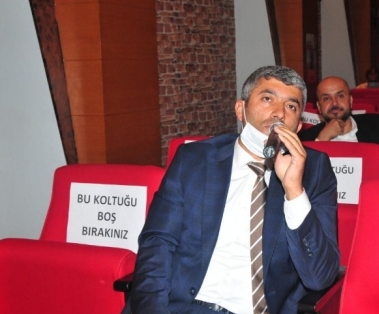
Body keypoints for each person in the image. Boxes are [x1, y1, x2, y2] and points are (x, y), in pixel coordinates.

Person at [125, 66, 340, 314]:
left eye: (291, 106)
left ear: (298, 126)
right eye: (267, 99)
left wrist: (294, 190)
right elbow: (158, 244)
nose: (279, 113)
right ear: (241, 110)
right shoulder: (195, 159)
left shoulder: (314, 171)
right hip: (183, 306)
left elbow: (319, 277)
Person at [298, 76, 379, 176]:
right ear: (319, 107)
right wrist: (322, 139)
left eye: (340, 96)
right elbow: (304, 180)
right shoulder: (306, 139)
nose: (334, 103)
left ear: (350, 101)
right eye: (326, 98)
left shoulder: (378, 126)